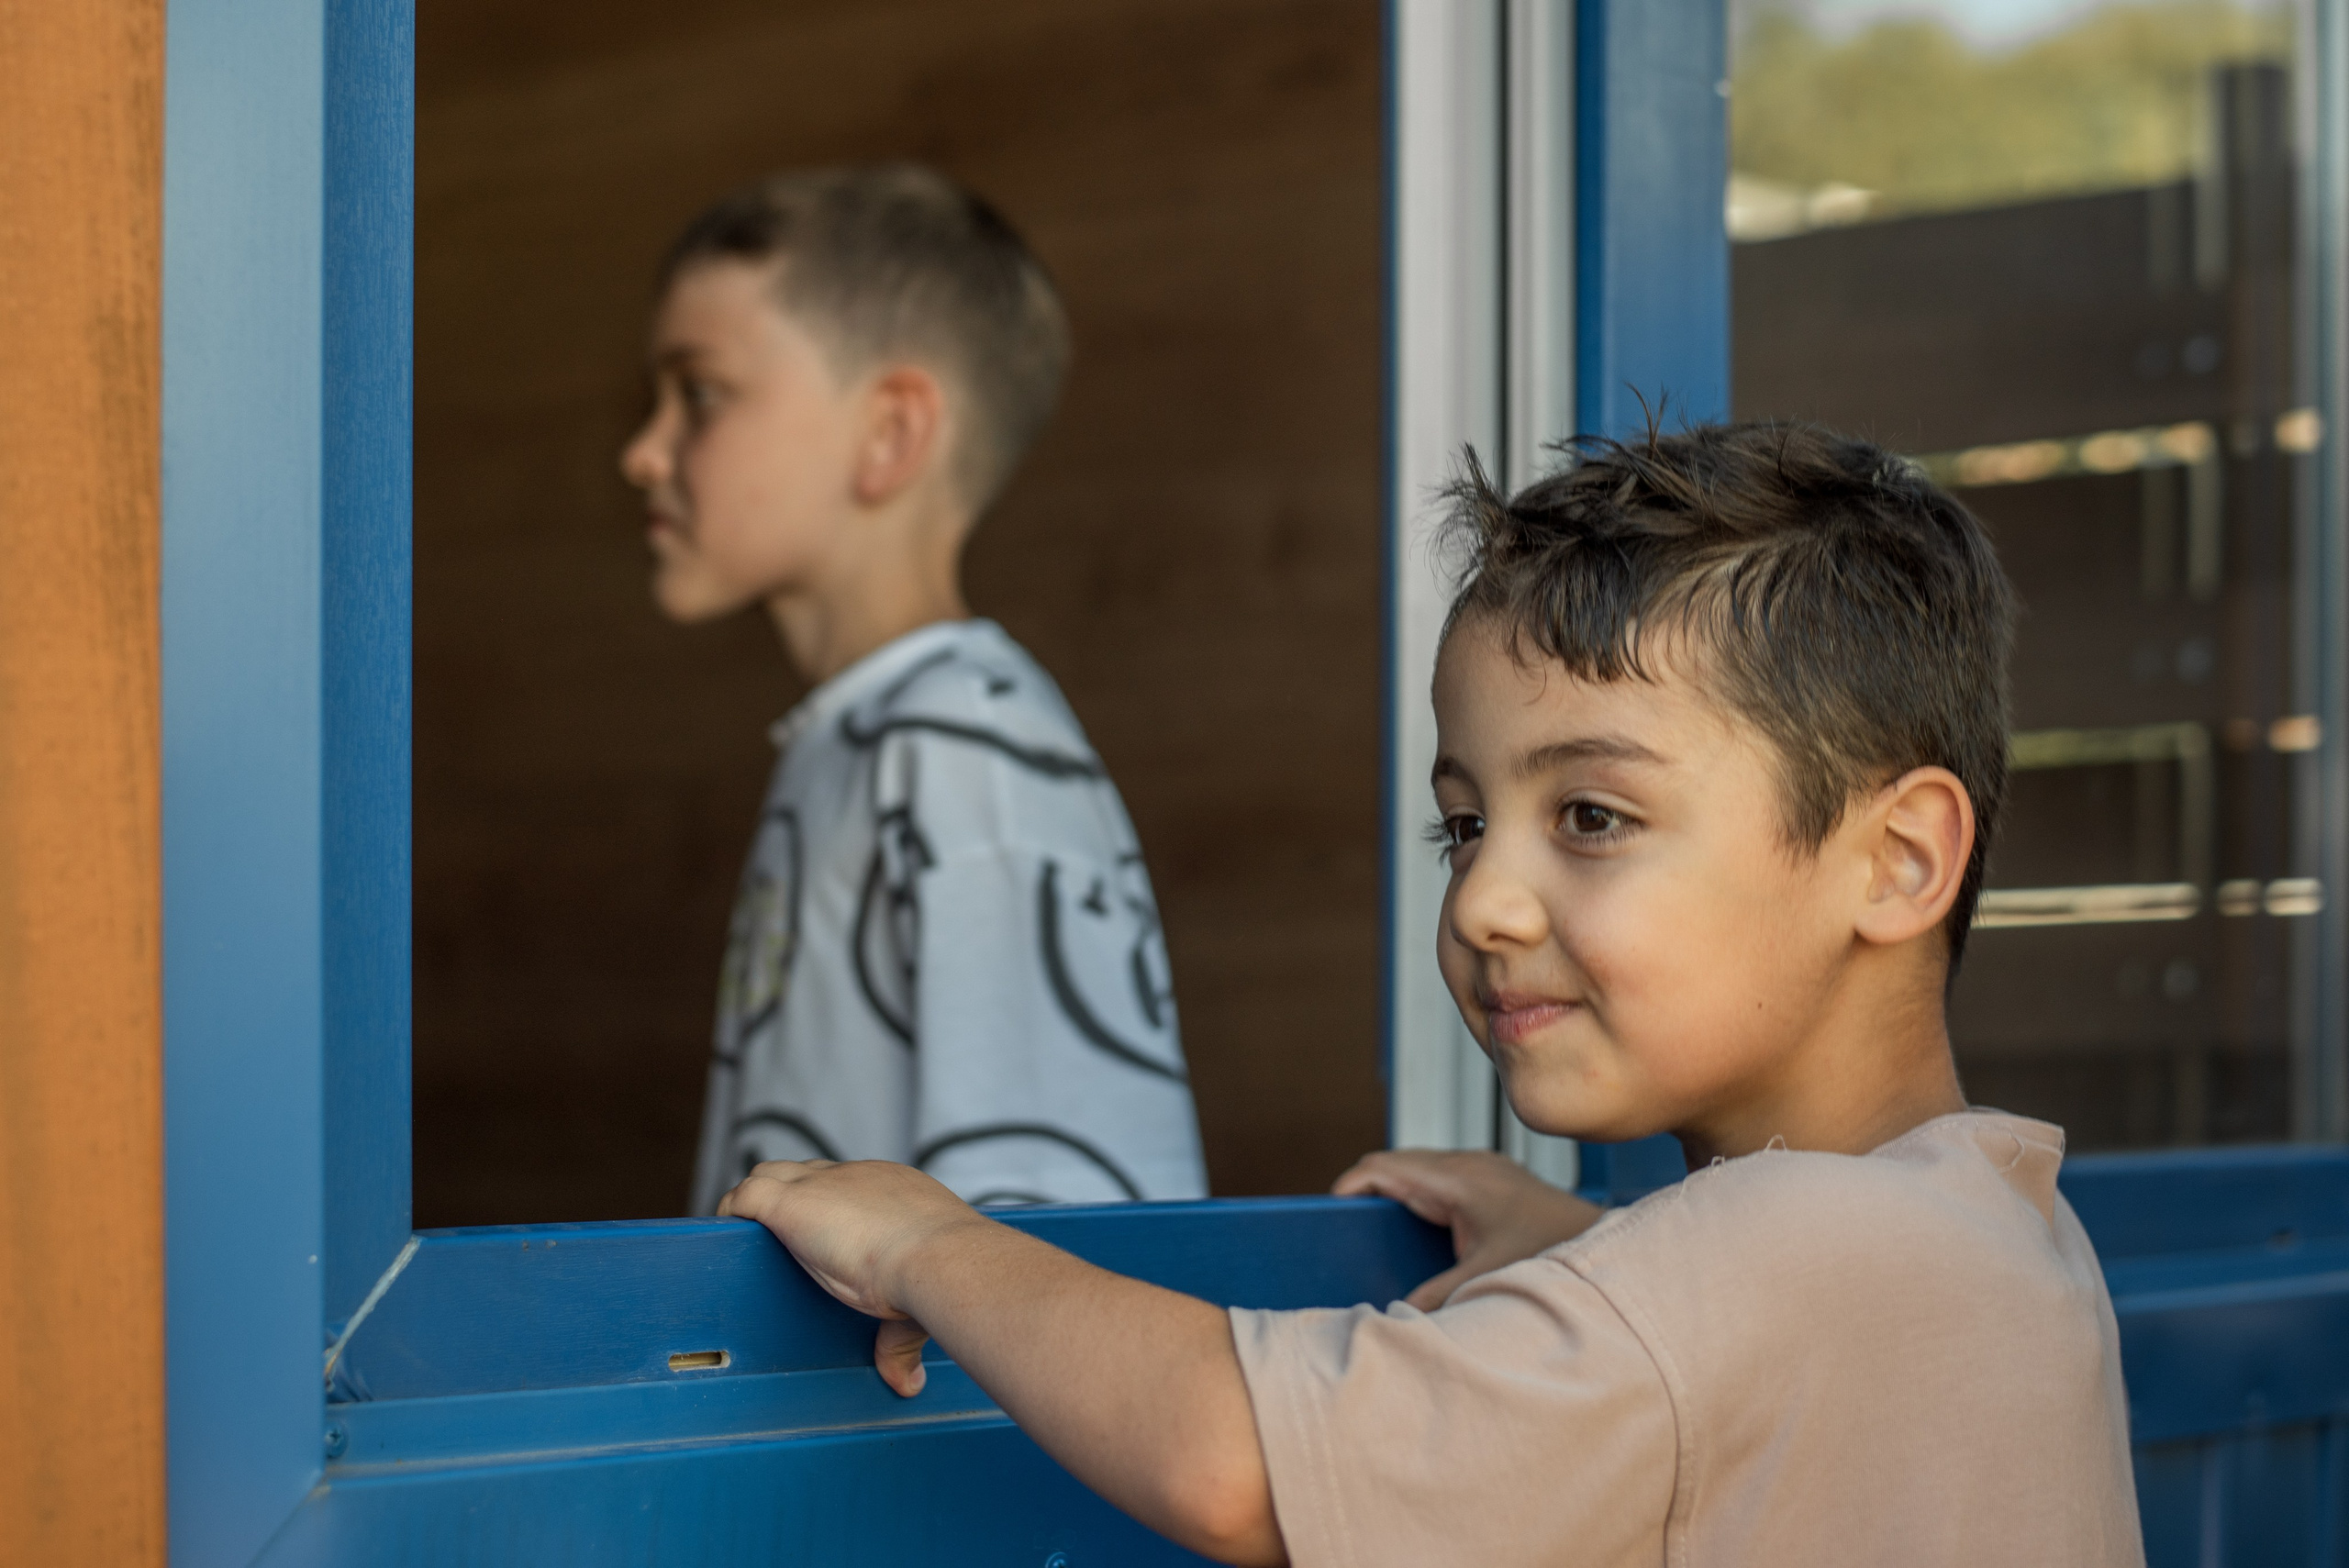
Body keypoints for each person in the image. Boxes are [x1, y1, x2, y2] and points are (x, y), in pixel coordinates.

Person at [715, 421, 2146, 1567]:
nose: (1480, 903)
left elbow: (1235, 1466)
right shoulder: (2004, 1241)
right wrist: (1593, 1249)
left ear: (1897, 862)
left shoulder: (1775, 1265)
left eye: (1591, 815)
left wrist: (933, 1243)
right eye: (1464, 824)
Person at [621, 163, 1208, 1215]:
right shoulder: (861, 735)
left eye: (698, 395)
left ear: (889, 434)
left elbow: (1060, 1238)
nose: (642, 453)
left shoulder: (964, 753)